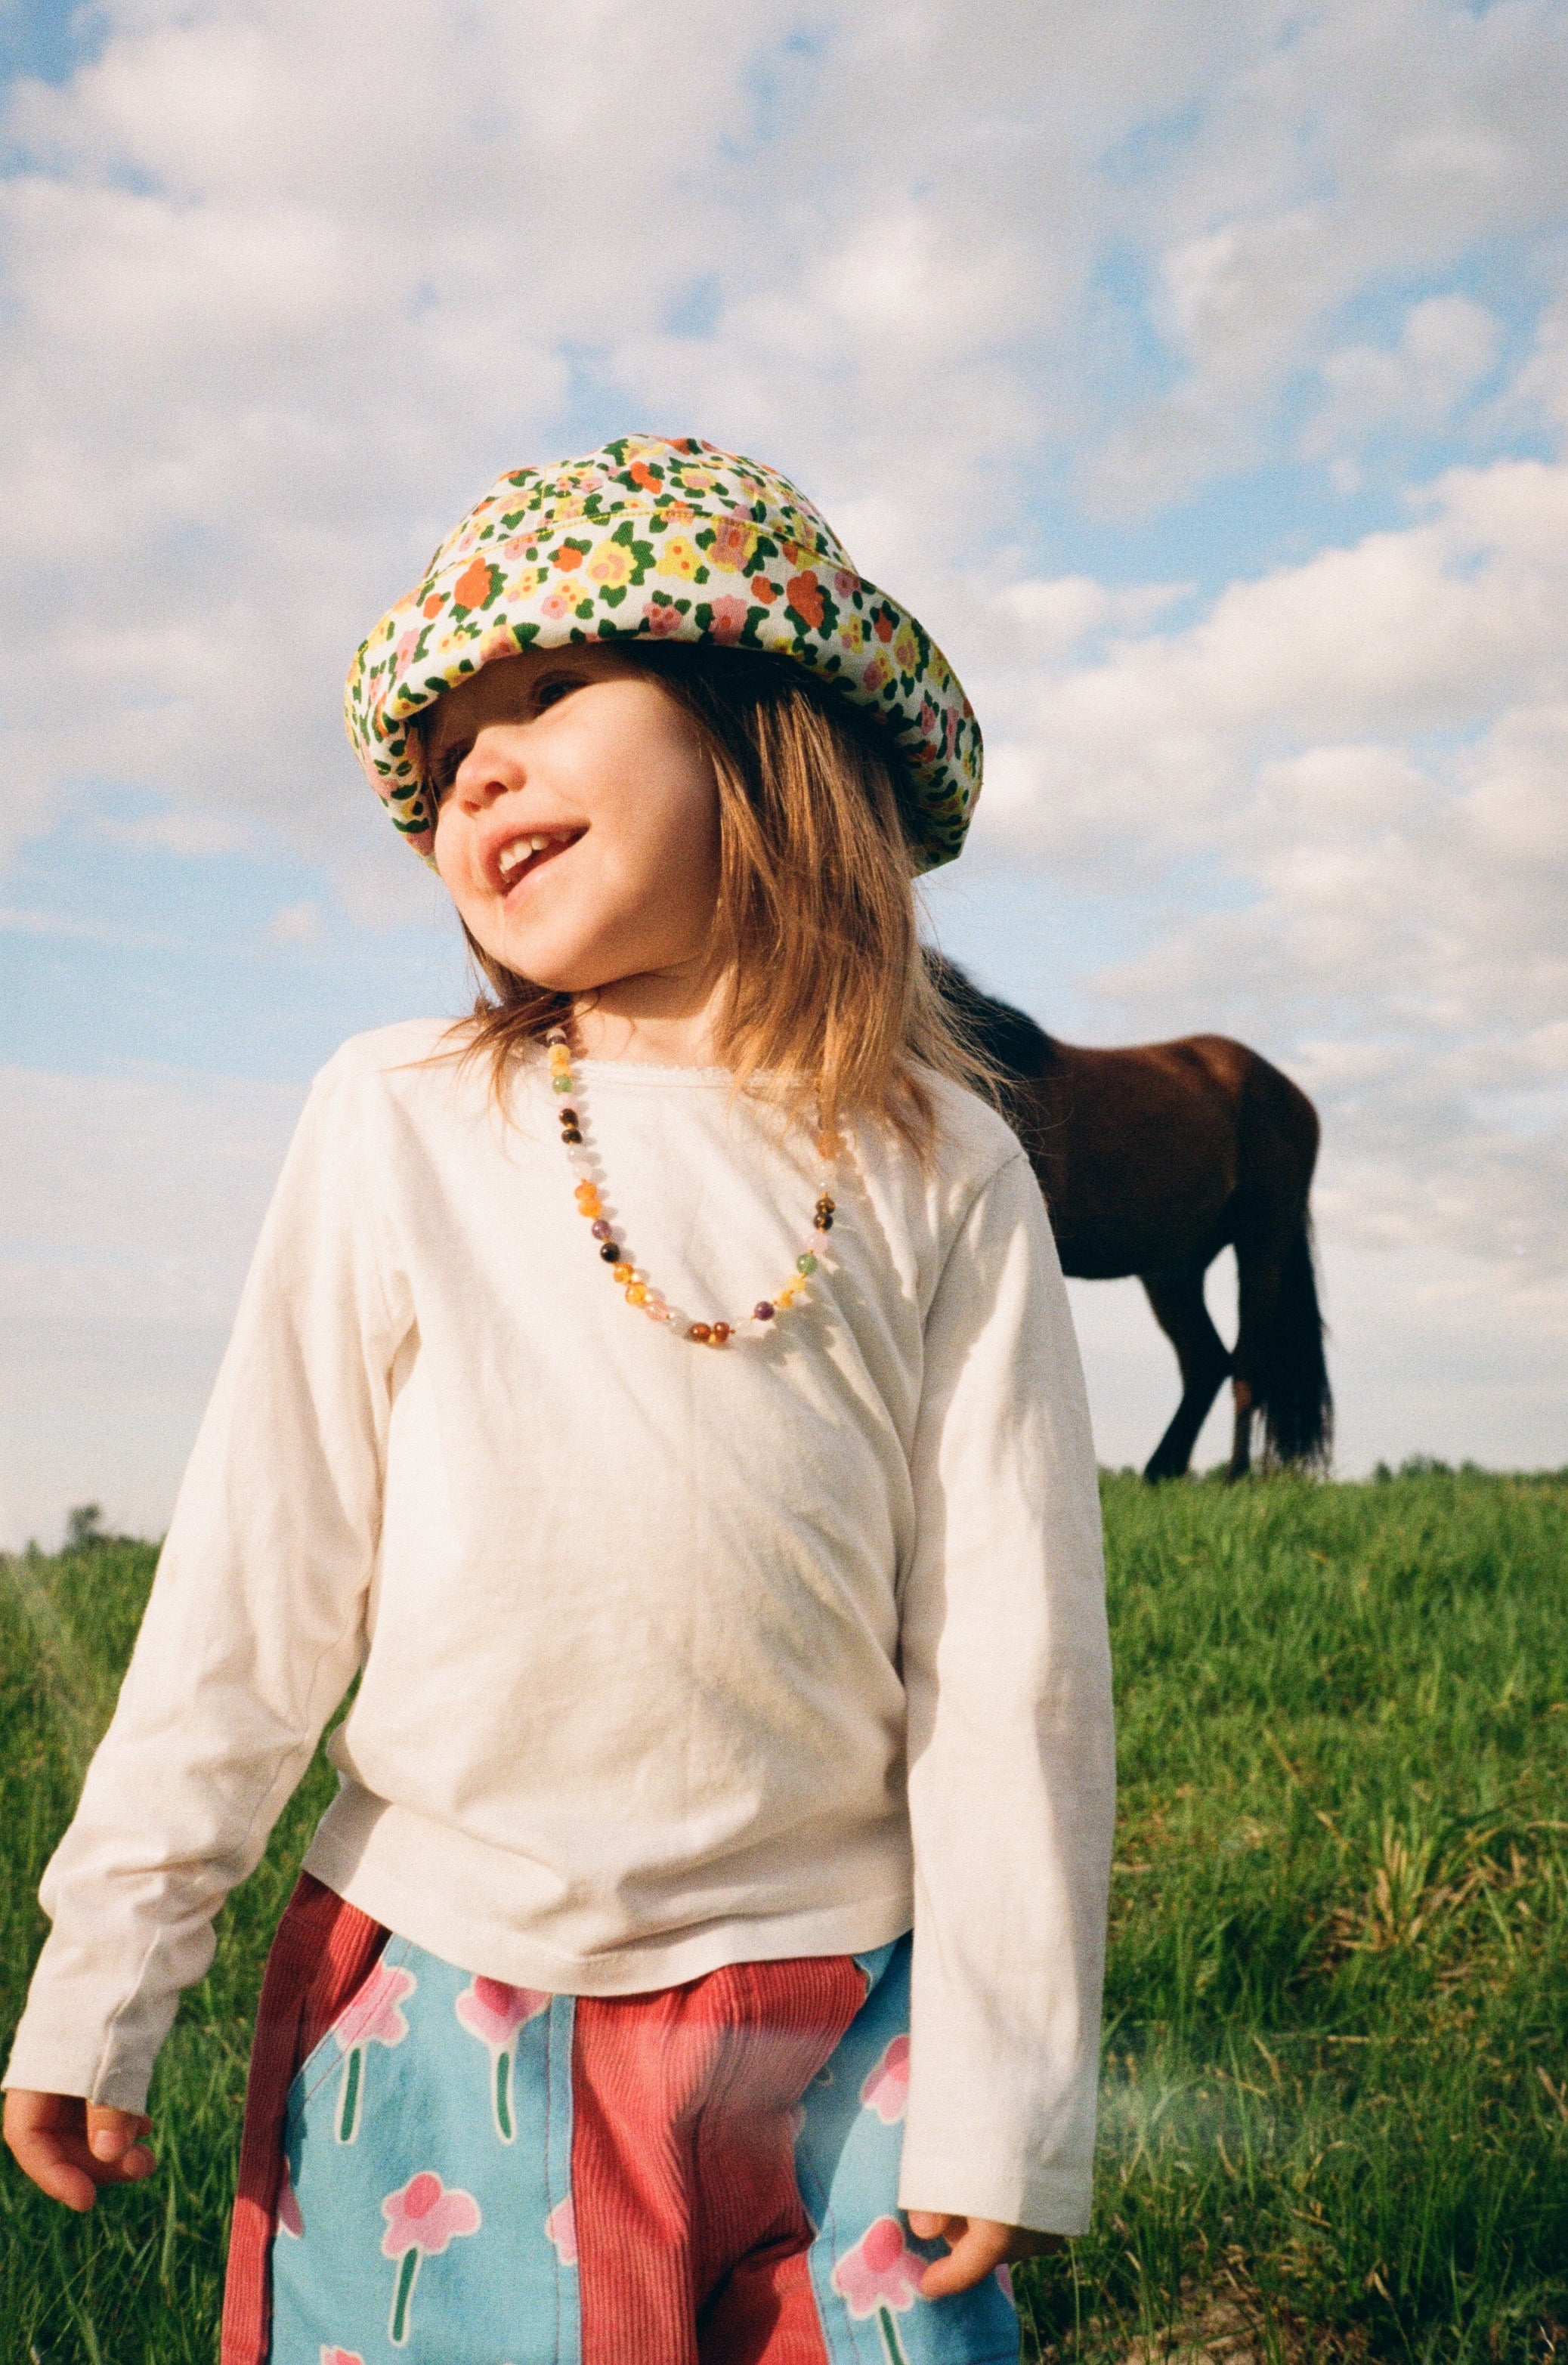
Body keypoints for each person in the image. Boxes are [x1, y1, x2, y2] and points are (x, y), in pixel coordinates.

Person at [4, 434, 1115, 2365]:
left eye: (544, 689)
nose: (476, 770)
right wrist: (110, 1966)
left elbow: (1016, 1660)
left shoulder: (945, 1163)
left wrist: (1006, 2078)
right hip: (444, 1995)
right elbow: (252, 1590)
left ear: (761, 722)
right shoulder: (405, 1116)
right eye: (445, 754)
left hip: (842, 2012)